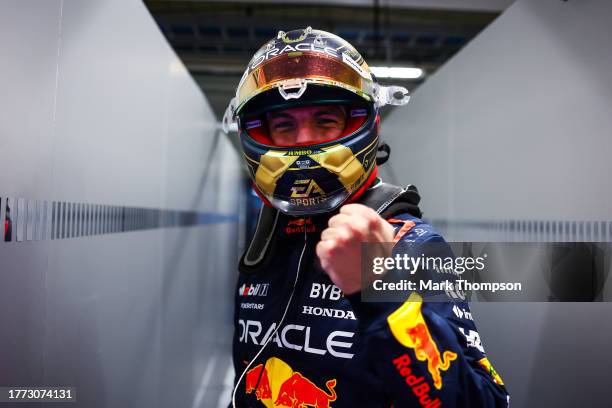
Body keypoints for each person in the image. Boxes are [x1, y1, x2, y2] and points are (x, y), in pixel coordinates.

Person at [223, 27, 509, 408]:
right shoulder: (270, 235)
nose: (304, 140)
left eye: (325, 121)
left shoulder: (411, 244)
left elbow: (485, 402)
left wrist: (380, 291)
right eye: (284, 125)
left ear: (363, 125)